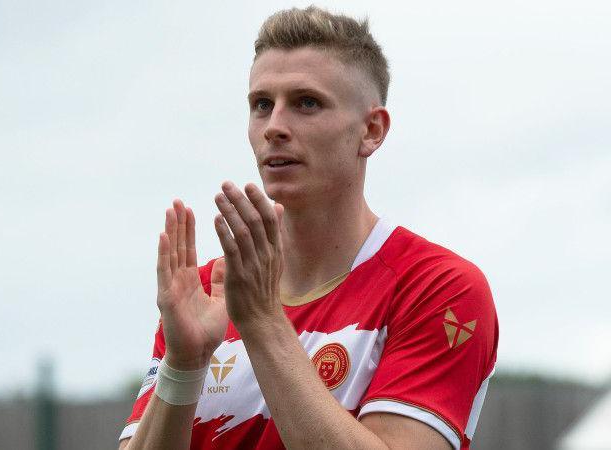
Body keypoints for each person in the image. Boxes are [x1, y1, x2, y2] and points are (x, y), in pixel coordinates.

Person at [119, 6, 498, 450]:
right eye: (262, 104)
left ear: (372, 130)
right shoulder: (208, 292)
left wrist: (261, 321)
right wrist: (183, 365)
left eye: (306, 103)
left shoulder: (438, 287)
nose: (275, 127)